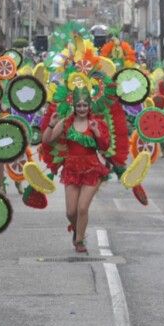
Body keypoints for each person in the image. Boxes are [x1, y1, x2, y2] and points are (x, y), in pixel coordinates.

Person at [40, 86, 111, 253]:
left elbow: (105, 146)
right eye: (78, 106)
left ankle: (80, 240)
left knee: (82, 208)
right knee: (71, 212)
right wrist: (51, 124)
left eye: (84, 105)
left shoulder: (96, 123)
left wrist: (95, 132)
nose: (81, 109)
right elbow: (47, 140)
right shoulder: (66, 123)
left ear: (89, 106)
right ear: (74, 107)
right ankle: (77, 229)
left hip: (92, 169)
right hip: (71, 169)